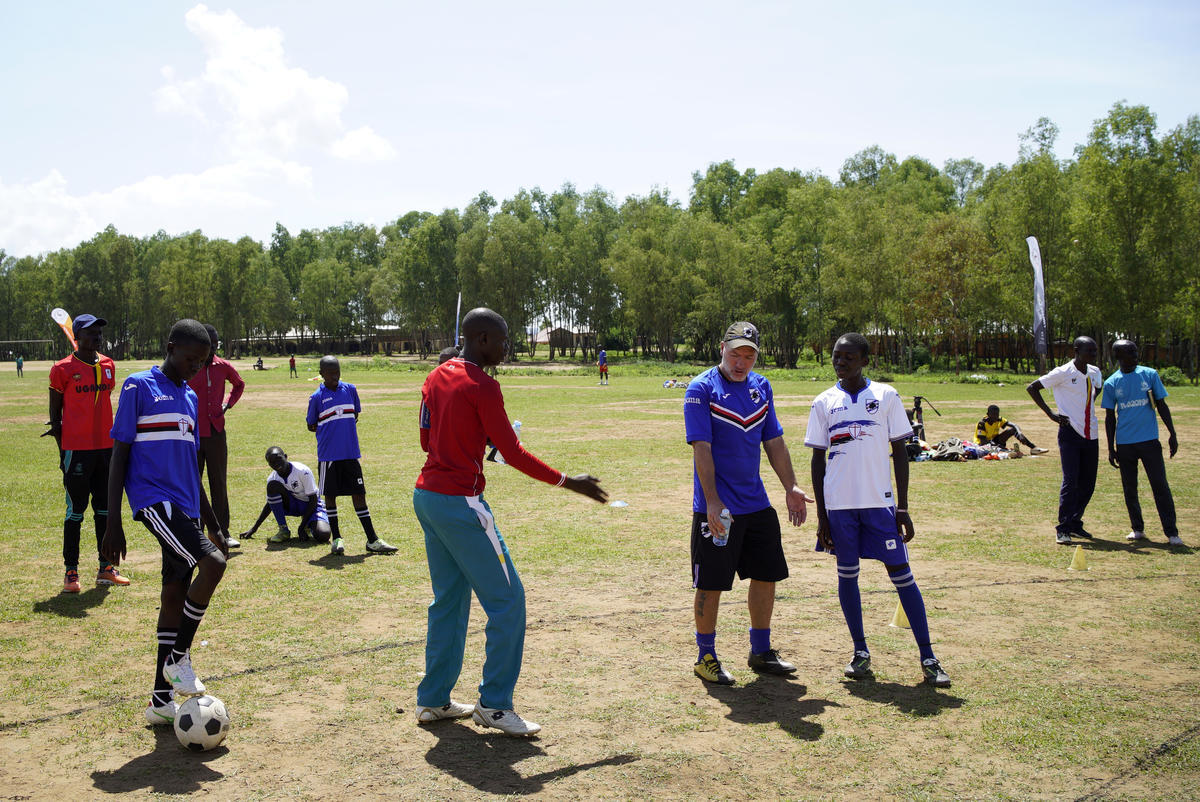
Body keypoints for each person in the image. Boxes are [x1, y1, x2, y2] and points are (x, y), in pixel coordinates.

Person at [413, 307, 608, 736]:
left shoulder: (434, 376)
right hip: (461, 503)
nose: (507, 347)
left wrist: (467, 440)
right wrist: (567, 482)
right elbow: (513, 453)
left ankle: (433, 700)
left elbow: (427, 439)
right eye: (503, 340)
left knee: (449, 600)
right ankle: (494, 704)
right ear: (482, 339)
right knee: (508, 602)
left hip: (426, 497)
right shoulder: (484, 385)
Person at [102, 318, 230, 726]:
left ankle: (160, 700)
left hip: (187, 507)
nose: (196, 367)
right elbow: (119, 454)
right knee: (213, 565)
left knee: (174, 592)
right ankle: (179, 658)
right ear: (171, 347)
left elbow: (193, 469)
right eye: (191, 358)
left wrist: (212, 522)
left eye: (203, 361)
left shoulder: (190, 397)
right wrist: (113, 521)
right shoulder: (139, 386)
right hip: (154, 501)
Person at [806, 333, 951, 688]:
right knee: (847, 576)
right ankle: (860, 652)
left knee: (902, 574)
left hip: (879, 505)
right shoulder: (823, 402)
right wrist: (823, 517)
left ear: (865, 360)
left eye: (848, 357)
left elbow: (900, 453)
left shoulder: (886, 396)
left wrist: (902, 507)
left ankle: (929, 656)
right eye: (837, 357)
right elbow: (816, 461)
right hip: (840, 508)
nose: (841, 363)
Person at [684, 321, 814, 686]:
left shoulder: (761, 387)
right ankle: (705, 655)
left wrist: (791, 486)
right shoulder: (701, 389)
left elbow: (773, 441)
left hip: (756, 503)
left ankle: (760, 650)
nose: (741, 362)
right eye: (735, 353)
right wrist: (712, 502)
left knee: (766, 575)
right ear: (721, 348)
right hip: (718, 507)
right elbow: (702, 449)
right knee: (711, 582)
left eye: (749, 355)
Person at [48, 314, 127, 592]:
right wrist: (63, 452)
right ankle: (71, 572)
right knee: (75, 512)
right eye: (92, 333)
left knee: (105, 510)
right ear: (78, 336)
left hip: (106, 449)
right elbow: (55, 415)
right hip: (76, 451)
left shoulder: (108, 365)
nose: (98, 338)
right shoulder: (61, 369)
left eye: (99, 334)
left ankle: (106, 568)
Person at [306, 356, 398, 555]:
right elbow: (311, 425)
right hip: (329, 457)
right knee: (330, 496)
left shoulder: (351, 390)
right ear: (321, 374)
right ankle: (337, 539)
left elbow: (355, 415)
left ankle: (372, 540)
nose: (334, 377)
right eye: (330, 374)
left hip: (350, 454)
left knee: (359, 494)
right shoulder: (316, 398)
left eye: (337, 372)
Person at [1101, 340, 1182, 546]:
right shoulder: (1112, 382)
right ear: (1118, 356)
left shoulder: (1150, 374)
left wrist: (1172, 433)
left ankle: (1172, 533)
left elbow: (1161, 405)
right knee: (1130, 488)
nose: (1135, 354)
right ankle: (1137, 529)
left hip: (1149, 442)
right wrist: (1111, 448)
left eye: (1135, 351)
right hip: (1126, 444)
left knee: (1160, 486)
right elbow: (1110, 417)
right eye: (1130, 352)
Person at [1027, 336, 1103, 545]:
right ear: (1076, 350)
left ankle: (1075, 522)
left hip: (1091, 434)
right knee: (1071, 481)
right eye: (1090, 350)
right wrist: (1052, 414)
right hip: (1070, 433)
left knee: (1088, 483)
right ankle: (1063, 528)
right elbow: (1032, 388)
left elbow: (1097, 389)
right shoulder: (1063, 372)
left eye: (1095, 351)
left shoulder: (1095, 372)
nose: (1093, 355)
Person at [187, 324, 245, 549]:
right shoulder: (191, 366)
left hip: (216, 432)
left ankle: (223, 531)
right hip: (192, 433)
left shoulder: (223, 366)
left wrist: (227, 404)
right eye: (207, 343)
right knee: (193, 482)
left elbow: (239, 384)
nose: (211, 348)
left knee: (218, 482)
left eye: (214, 343)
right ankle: (196, 532)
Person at [238, 447, 332, 543]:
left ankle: (308, 524)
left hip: (311, 505)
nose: (276, 463)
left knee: (323, 535)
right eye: (272, 462)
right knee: (272, 485)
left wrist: (301, 527)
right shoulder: (272, 478)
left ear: (286, 457)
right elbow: (270, 504)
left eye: (279, 459)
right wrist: (254, 529)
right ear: (269, 465)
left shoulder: (302, 471)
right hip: (293, 505)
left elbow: (313, 499)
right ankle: (283, 530)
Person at [974, 404, 1048, 454]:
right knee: (1005, 451)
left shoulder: (998, 419)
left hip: (994, 441)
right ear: (988, 414)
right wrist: (1001, 447)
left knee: (1013, 430)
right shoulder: (982, 423)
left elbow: (1014, 425)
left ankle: (1033, 448)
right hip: (982, 444)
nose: (995, 417)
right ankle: (1006, 451)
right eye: (993, 415)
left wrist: (1020, 433)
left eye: (997, 414)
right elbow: (983, 442)